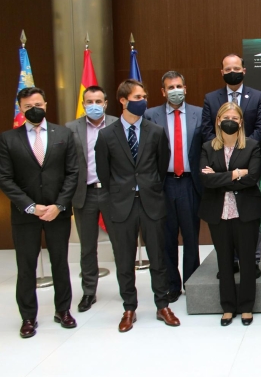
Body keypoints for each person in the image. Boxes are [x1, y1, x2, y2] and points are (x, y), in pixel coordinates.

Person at [95, 79, 180, 332]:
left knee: (158, 257)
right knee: (124, 259)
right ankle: (129, 307)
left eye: (144, 96)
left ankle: (162, 304)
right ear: (123, 100)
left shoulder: (155, 131)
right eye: (137, 97)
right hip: (121, 205)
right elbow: (103, 173)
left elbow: (161, 165)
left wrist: (148, 186)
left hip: (151, 202)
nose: (143, 100)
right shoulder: (106, 135)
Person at [0, 87, 78, 338]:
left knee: (60, 262)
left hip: (58, 212)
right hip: (26, 215)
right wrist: (31, 206)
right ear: (20, 109)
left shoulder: (63, 134)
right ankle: (28, 317)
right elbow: (5, 178)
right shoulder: (8, 139)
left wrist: (59, 205)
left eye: (37, 104)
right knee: (26, 267)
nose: (33, 108)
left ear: (45, 104)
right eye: (27, 106)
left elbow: (72, 173)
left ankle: (63, 310)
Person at [199, 102, 261, 326]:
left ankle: (247, 307)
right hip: (218, 213)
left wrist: (220, 177)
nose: (230, 121)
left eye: (235, 118)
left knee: (248, 261)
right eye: (225, 117)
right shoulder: (208, 147)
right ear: (218, 121)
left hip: (245, 212)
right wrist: (237, 173)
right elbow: (206, 181)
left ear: (241, 122)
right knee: (224, 261)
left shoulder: (252, 146)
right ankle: (228, 307)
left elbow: (252, 178)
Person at [202, 54, 261, 274]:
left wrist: (245, 153)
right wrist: (226, 165)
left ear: (244, 70)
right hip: (219, 160)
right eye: (228, 68)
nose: (233, 71)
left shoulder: (257, 96)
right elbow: (207, 130)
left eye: (236, 67)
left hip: (250, 159)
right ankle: (228, 260)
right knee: (224, 216)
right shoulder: (211, 98)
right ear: (221, 71)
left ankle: (252, 261)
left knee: (248, 213)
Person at [144, 71, 203, 302]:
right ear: (163, 91)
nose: (175, 90)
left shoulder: (199, 113)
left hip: (190, 183)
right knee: (167, 238)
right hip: (164, 184)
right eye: (170, 87)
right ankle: (172, 284)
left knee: (191, 237)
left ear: (185, 88)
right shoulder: (150, 115)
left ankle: (191, 282)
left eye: (179, 86)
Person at [65, 86, 118, 312]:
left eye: (98, 101)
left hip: (112, 193)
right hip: (84, 193)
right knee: (88, 247)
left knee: (120, 243)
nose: (94, 105)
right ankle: (89, 292)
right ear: (83, 104)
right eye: (89, 101)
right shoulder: (71, 128)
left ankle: (127, 288)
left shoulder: (117, 123)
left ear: (105, 103)